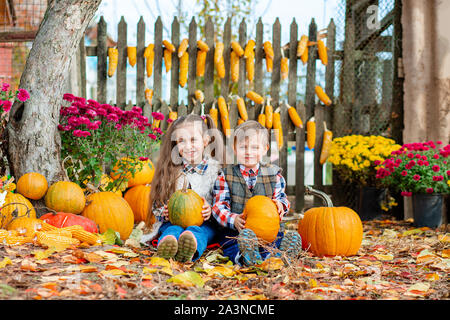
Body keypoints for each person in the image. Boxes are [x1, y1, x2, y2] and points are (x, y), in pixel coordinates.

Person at [211, 120, 302, 266]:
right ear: (235, 148)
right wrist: (233, 219)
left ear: (265, 149)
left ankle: (277, 257)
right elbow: (218, 206)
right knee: (232, 244)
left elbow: (283, 199)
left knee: (274, 241)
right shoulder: (225, 175)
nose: (248, 152)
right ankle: (244, 257)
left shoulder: (274, 174)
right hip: (238, 231)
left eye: (254, 147)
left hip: (267, 232)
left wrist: (280, 206)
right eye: (243, 147)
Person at [144, 114, 223, 263]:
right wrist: (164, 212)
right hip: (174, 221)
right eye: (182, 141)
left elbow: (223, 201)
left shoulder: (215, 170)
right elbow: (158, 203)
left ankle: (190, 249)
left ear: (206, 141)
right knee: (171, 230)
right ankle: (168, 244)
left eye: (193, 139)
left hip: (204, 223)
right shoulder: (172, 170)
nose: (188, 146)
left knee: (199, 232)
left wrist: (211, 210)